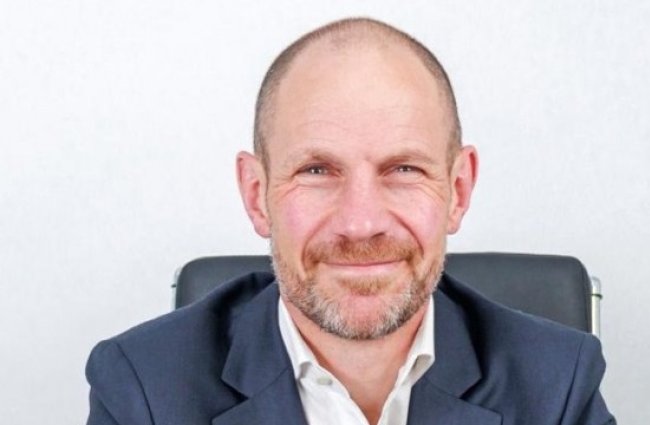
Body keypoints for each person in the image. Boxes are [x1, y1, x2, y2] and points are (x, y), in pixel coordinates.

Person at [85, 17, 615, 425]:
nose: (361, 224)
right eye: (316, 171)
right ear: (256, 195)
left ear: (457, 190)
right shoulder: (142, 389)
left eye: (404, 169)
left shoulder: (557, 385)